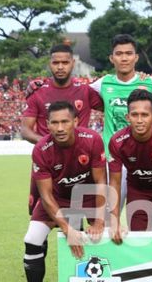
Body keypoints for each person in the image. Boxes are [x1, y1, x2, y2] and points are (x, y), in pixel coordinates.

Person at [21, 101, 106, 282]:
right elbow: (46, 196)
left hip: (86, 195)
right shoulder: (41, 149)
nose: (60, 128)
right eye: (54, 123)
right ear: (47, 125)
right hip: (57, 198)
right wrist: (66, 227)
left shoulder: (92, 140)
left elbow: (100, 182)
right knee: (32, 239)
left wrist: (99, 219)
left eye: (65, 122)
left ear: (75, 122)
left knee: (103, 238)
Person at [21, 43, 104, 214]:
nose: (60, 67)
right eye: (55, 63)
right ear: (49, 64)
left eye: (65, 63)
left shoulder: (85, 91)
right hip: (48, 162)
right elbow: (26, 130)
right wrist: (51, 143)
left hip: (80, 162)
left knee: (78, 214)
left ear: (72, 63)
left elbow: (112, 107)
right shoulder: (38, 92)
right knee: (40, 214)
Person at [107, 89, 152, 242]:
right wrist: (114, 221)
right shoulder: (117, 142)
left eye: (144, 115)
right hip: (137, 191)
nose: (139, 120)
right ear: (127, 117)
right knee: (139, 241)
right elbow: (115, 183)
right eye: (134, 115)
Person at [90, 34, 152, 151]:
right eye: (118, 54)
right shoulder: (103, 83)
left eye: (128, 53)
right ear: (111, 58)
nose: (124, 58)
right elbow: (78, 93)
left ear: (136, 57)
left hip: (143, 153)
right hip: (112, 154)